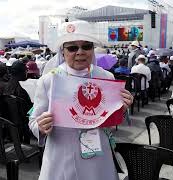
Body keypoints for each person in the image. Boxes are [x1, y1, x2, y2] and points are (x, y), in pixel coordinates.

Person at [28, 20, 133, 180]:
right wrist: (41, 127)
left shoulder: (106, 77)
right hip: (61, 156)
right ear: (63, 51)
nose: (80, 52)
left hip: (98, 155)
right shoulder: (49, 80)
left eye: (86, 46)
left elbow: (112, 120)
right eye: (72, 47)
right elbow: (34, 121)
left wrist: (123, 107)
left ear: (92, 49)